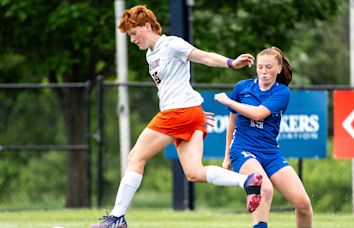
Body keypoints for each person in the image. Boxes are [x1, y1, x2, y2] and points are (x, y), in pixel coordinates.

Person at [91, 5, 263, 228]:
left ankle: (116, 218)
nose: (132, 40)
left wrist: (231, 63)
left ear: (148, 26)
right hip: (188, 112)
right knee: (194, 173)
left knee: (135, 157)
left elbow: (204, 57)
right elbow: (176, 86)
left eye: (134, 33)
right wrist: (194, 111)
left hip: (177, 113)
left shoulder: (171, 44)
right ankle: (247, 181)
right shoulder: (150, 55)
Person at [214, 47, 313, 228]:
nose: (264, 72)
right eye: (260, 67)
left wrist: (228, 101)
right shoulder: (242, 88)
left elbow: (259, 114)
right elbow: (232, 123)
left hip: (270, 153)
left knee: (303, 204)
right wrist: (227, 156)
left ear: (279, 68)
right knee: (263, 188)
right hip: (243, 150)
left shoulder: (282, 92)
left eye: (269, 67)